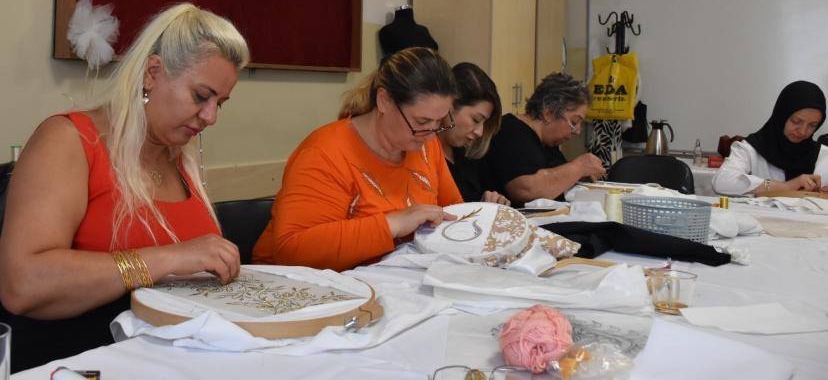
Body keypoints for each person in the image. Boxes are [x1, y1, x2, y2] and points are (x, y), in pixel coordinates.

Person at [0, 3, 249, 371]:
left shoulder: (179, 158)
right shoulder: (69, 141)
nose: (210, 117)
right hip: (76, 364)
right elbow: (23, 286)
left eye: (220, 104)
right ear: (152, 73)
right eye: (201, 96)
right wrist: (168, 259)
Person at [252, 47, 461, 271]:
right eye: (421, 122)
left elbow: (455, 213)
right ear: (384, 101)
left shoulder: (425, 144)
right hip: (295, 283)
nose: (431, 135)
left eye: (440, 122)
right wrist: (393, 224)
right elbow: (292, 249)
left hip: (389, 278)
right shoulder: (326, 153)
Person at [483, 72, 605, 205]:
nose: (578, 131)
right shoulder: (510, 131)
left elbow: (555, 179)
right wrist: (579, 167)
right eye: (574, 122)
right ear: (548, 113)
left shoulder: (549, 143)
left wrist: (579, 176)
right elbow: (526, 190)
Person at [712, 80, 828, 196]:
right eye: (796, 121)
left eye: (812, 125)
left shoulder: (823, 155)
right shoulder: (751, 149)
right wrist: (785, 186)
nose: (803, 131)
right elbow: (722, 182)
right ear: (781, 115)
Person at [438, 63, 509, 205]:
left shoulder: (465, 158)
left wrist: (484, 204)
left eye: (484, 123)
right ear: (450, 106)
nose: (480, 132)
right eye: (476, 120)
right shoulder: (424, 154)